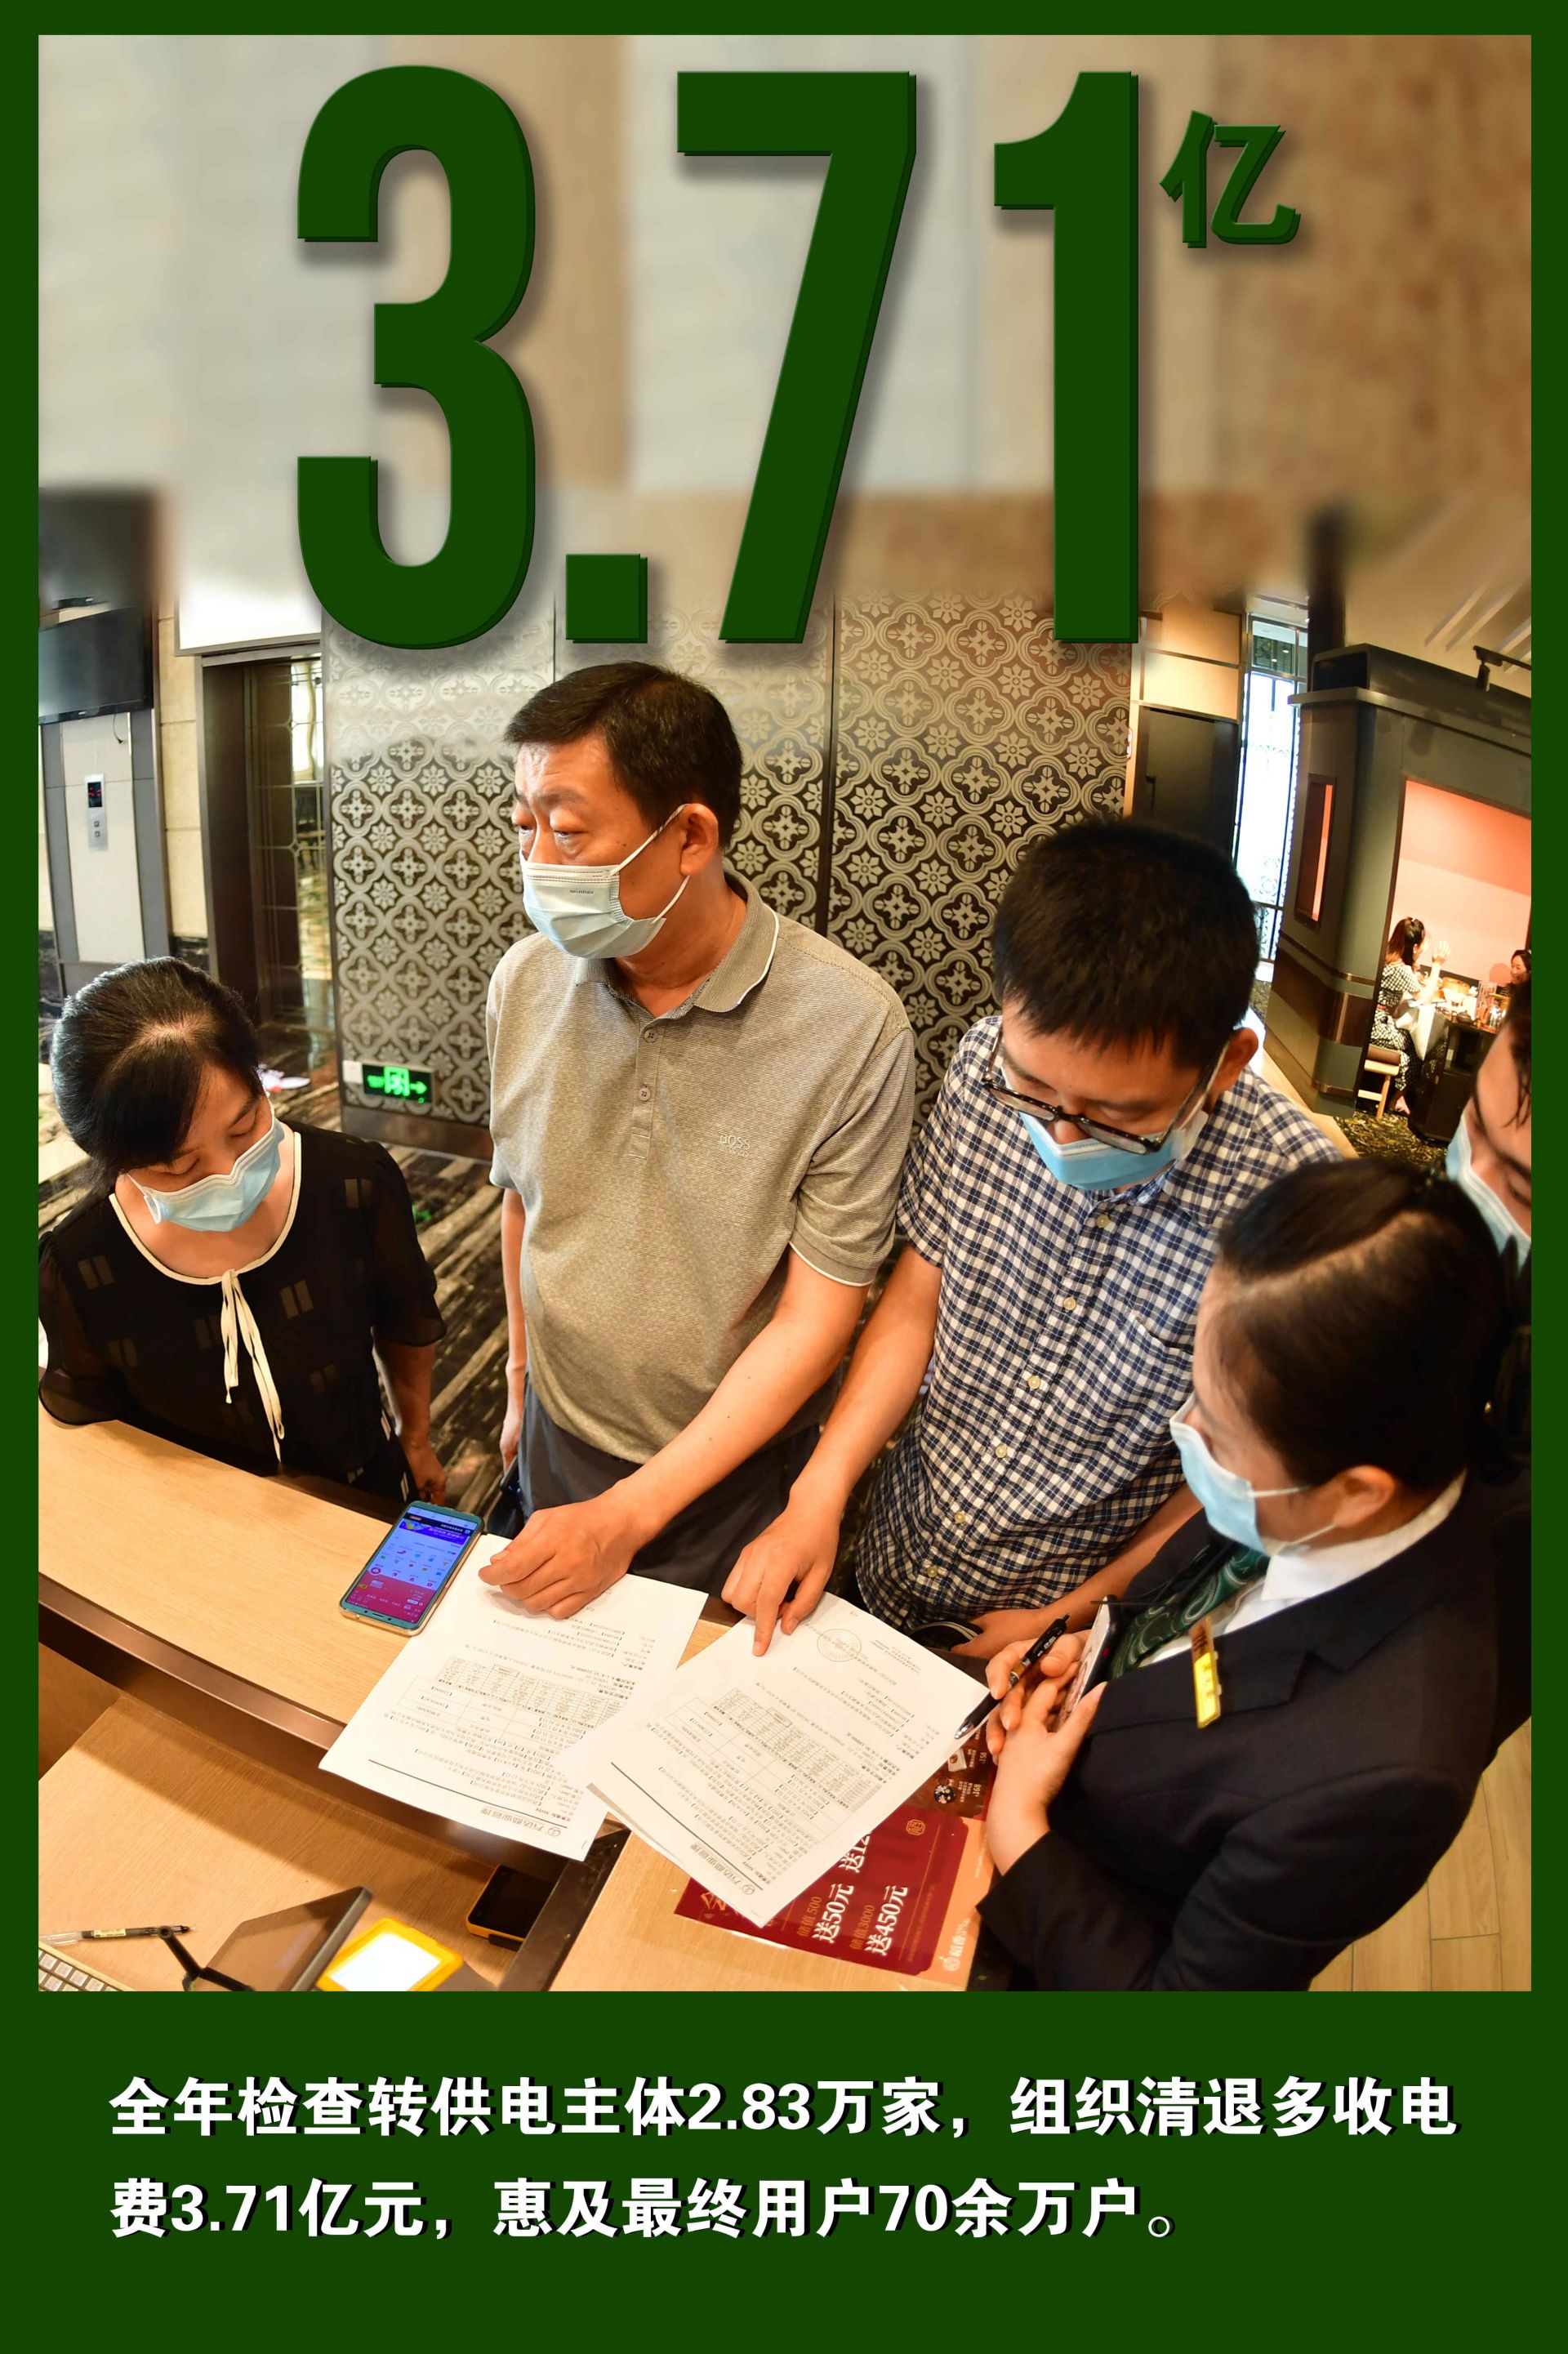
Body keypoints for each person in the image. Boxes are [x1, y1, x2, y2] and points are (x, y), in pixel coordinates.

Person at [724, 820, 1337, 1657]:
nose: (1063, 1134)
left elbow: (1226, 1475)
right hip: (895, 1544)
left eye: (1117, 1116)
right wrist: (819, 1494)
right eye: (1035, 1091)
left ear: (1226, 1064)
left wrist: (1075, 1616)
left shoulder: (1295, 1204)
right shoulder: (985, 1066)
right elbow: (916, 1299)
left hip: (1055, 1629)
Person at [975, 1158, 1513, 1991]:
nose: (1186, 1430)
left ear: (1355, 1492)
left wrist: (1019, 1825)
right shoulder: (1317, 1469)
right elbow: (1206, 1629)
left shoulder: (1382, 1774)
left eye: (1220, 1437)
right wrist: (1095, 1659)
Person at [479, 662, 914, 1612]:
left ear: (690, 836)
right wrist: (518, 1382)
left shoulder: (851, 1026)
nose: (537, 861)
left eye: (568, 829)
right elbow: (524, 1201)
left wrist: (630, 1512)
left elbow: (817, 1319)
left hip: (732, 1468)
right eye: (523, 824)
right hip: (557, 1426)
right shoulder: (525, 980)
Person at [40, 959, 445, 1504]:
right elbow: (101, 1428)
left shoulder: (351, 1183)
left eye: (245, 1125)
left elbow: (405, 1322)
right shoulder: (82, 1263)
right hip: (200, 1519)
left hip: (359, 1488)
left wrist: (414, 1439)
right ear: (110, 1157)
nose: (230, 1173)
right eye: (179, 1167)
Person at [1370, 914, 1437, 1100]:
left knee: (1412, 1045)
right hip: (1376, 1028)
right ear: (1414, 947)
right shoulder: (1401, 968)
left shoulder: (1385, 956)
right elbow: (1426, 998)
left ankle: (1398, 1098)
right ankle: (1397, 1098)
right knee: (1418, 1050)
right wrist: (1437, 964)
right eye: (1422, 946)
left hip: (1368, 1020)